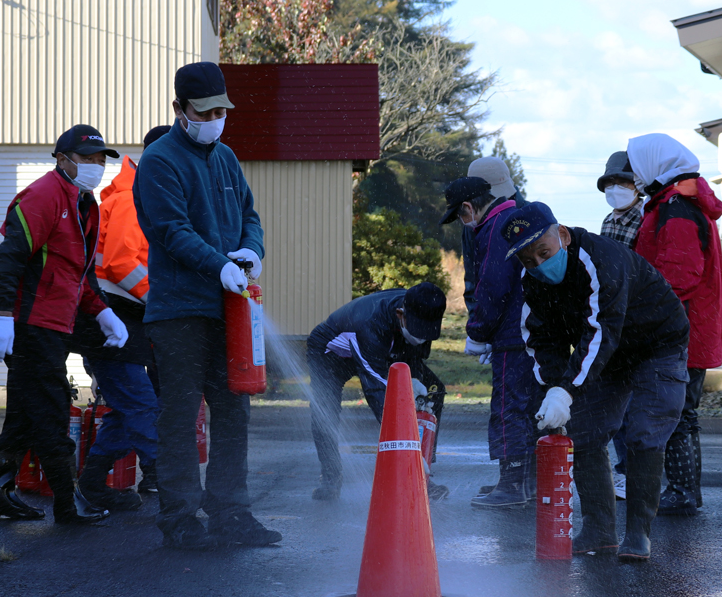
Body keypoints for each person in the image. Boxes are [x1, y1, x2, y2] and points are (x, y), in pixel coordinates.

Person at [133, 62, 280, 550]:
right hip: (178, 312)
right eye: (206, 111)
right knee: (179, 414)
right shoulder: (160, 161)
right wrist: (219, 265)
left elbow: (250, 217)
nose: (217, 118)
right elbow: (170, 230)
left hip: (230, 310)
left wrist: (250, 251)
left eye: (222, 110)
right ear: (179, 110)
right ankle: (179, 517)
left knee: (234, 408)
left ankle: (231, 513)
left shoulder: (227, 159)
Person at [503, 202, 689, 561]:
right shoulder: (534, 283)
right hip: (608, 353)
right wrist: (554, 389)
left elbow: (601, 330)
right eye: (528, 260)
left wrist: (567, 389)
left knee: (643, 432)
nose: (539, 264)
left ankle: (638, 533)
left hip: (658, 343)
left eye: (544, 252)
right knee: (585, 433)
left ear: (563, 236)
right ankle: (599, 530)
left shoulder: (600, 260)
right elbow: (542, 339)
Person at [0, 125, 129, 525]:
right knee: (51, 409)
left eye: (101, 160)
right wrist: (2, 315)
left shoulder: (84, 204)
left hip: (53, 326)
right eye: (87, 159)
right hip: (32, 326)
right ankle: (68, 504)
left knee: (24, 416)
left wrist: (102, 312)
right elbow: (9, 257)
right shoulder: (45, 196)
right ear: (62, 159)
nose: (96, 166)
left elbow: (77, 276)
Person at [627, 133, 722, 517]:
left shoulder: (677, 208)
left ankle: (683, 492)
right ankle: (684, 490)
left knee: (677, 415)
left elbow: (679, 276)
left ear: (656, 165)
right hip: (690, 327)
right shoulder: (678, 203)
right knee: (681, 414)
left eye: (638, 167)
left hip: (678, 330)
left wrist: (644, 314)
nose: (635, 176)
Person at [72, 125, 170, 511]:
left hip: (120, 324)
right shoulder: (132, 198)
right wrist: (162, 304)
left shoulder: (138, 194)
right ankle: (166, 482)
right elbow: (121, 264)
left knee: (129, 408)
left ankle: (92, 484)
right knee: (142, 406)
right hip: (111, 325)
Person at [439, 176, 539, 508]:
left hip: (512, 333)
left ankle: (511, 486)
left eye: (461, 216)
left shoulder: (497, 227)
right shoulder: (514, 220)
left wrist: (477, 332)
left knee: (508, 406)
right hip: (531, 329)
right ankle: (527, 484)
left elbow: (493, 285)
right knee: (528, 406)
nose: (463, 224)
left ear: (468, 207)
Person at [306, 283, 448, 501]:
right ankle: (331, 478)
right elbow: (378, 392)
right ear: (400, 315)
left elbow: (415, 359)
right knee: (326, 413)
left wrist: (417, 387)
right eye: (418, 331)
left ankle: (423, 472)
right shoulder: (369, 323)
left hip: (384, 344)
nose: (422, 339)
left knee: (433, 391)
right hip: (330, 353)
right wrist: (407, 444)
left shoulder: (420, 306)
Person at [596, 151, 646, 500]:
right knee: (612, 402)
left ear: (637, 186)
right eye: (610, 183)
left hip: (633, 316)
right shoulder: (608, 220)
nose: (616, 189)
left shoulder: (644, 218)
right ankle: (622, 468)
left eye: (623, 182)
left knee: (631, 403)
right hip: (610, 315)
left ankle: (632, 471)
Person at [462, 156, 526, 313]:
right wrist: (476, 320)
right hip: (488, 319)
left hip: (530, 318)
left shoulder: (530, 215)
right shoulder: (472, 223)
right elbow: (472, 279)